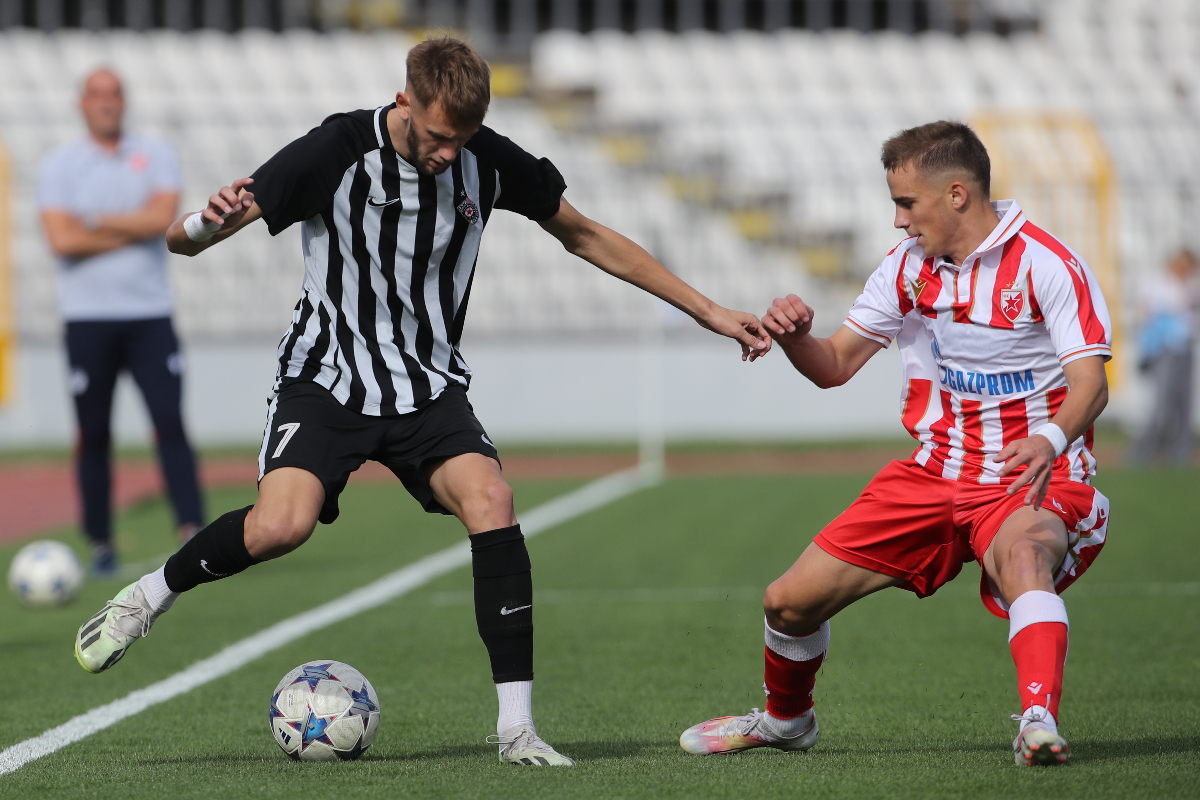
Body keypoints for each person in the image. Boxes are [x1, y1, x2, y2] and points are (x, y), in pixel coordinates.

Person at [72, 38, 770, 766]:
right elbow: (183, 244)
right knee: (281, 527)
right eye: (439, 137)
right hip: (329, 376)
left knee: (492, 502)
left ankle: (516, 729)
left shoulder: (487, 159)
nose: (448, 154)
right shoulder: (334, 149)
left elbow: (586, 235)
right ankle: (148, 596)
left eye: (462, 140)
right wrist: (202, 222)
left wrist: (709, 312)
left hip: (427, 387)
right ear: (404, 100)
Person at [679, 121, 1112, 767]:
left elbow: (1090, 385)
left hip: (1032, 477)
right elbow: (833, 366)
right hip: (935, 473)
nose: (898, 220)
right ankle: (785, 720)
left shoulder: (1046, 264)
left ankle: (1037, 722)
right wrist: (798, 336)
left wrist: (1048, 441)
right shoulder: (907, 268)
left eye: (906, 203)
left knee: (1024, 555)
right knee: (787, 603)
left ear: (957, 194)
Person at [38, 68, 204, 576]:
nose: (106, 104)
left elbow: (163, 220)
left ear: (123, 102)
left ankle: (193, 532)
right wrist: (131, 225)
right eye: (97, 96)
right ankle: (100, 542)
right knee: (93, 433)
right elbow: (61, 241)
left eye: (114, 95)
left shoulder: (154, 152)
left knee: (169, 421)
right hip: (87, 319)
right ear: (81, 104)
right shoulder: (60, 164)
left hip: (148, 314)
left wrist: (92, 220)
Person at [1130, 249, 1197, 465]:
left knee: (1184, 402)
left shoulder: (1192, 286)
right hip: (1163, 349)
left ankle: (1181, 450)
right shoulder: (1156, 283)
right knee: (1162, 402)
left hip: (1185, 348)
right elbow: (1146, 313)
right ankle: (1146, 448)